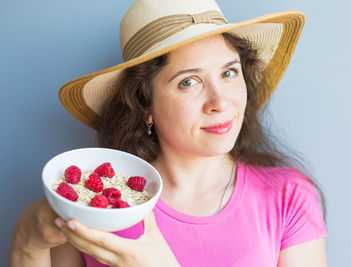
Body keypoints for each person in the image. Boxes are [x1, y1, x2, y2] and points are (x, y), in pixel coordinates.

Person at [11, 0, 328, 266]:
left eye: (229, 73)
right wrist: (27, 244)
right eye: (189, 82)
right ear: (145, 104)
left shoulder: (289, 198)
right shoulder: (95, 204)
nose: (220, 102)